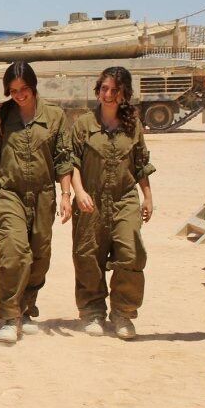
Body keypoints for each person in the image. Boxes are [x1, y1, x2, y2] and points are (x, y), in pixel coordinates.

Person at [0, 62, 73, 344]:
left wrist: (66, 195)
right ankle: (8, 316)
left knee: (39, 257)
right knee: (14, 253)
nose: (19, 95)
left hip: (43, 195)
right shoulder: (2, 117)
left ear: (33, 86)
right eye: (13, 91)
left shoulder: (55, 116)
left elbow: (63, 159)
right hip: (9, 193)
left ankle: (25, 308)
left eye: (23, 89)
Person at [70, 66, 155, 340]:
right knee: (88, 256)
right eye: (104, 89)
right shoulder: (84, 124)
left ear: (124, 94)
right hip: (90, 200)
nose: (108, 94)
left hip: (124, 198)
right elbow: (72, 162)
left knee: (131, 253)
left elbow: (140, 164)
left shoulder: (133, 126)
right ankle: (92, 312)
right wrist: (79, 192)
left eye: (114, 90)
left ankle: (123, 313)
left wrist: (148, 197)